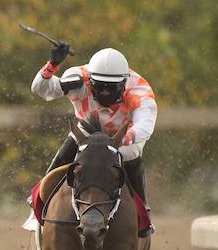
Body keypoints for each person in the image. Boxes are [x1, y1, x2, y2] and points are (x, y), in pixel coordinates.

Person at [31, 43, 156, 237]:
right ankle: (39, 201)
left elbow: (145, 126)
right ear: (90, 80)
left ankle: (143, 213)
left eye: (112, 88)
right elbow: (42, 90)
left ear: (124, 82)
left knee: (130, 154)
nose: (105, 93)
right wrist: (52, 65)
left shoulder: (139, 90)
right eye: (100, 87)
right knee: (66, 153)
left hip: (122, 138)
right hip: (87, 131)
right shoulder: (78, 79)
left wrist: (118, 140)